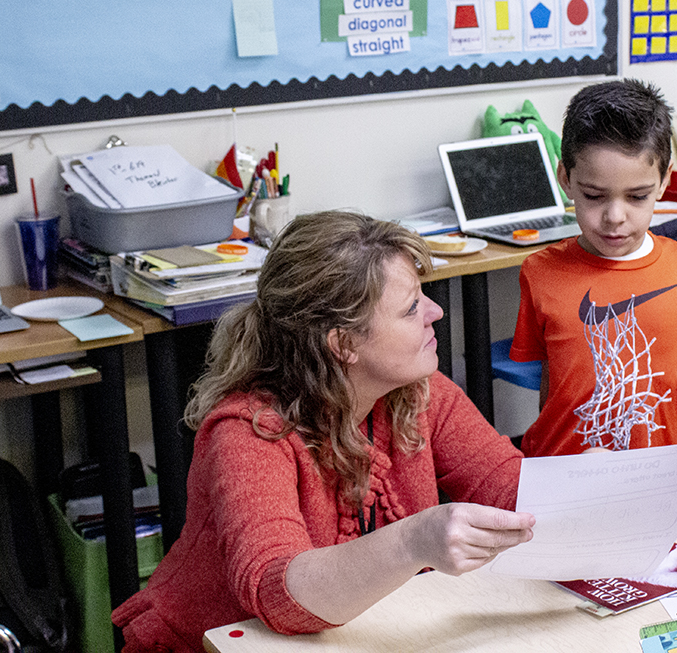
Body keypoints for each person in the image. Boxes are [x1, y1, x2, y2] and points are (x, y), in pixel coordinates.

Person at [112, 210, 535, 652]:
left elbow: (508, 485)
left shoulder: (419, 394)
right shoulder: (248, 432)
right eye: (411, 307)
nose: (436, 311)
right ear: (343, 344)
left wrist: (590, 483)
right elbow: (278, 594)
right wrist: (415, 540)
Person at [510, 79, 677, 457]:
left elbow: (676, 380)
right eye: (594, 196)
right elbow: (552, 382)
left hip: (661, 475)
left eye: (638, 197)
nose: (615, 217)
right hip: (565, 475)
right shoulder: (539, 272)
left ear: (664, 180)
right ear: (566, 179)